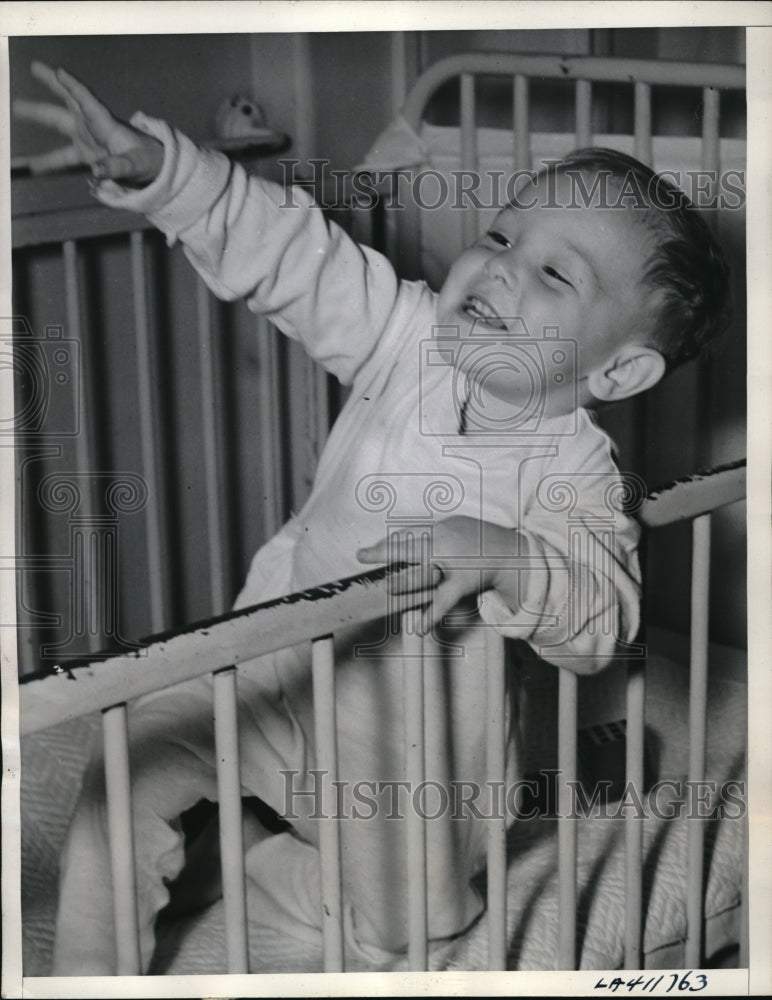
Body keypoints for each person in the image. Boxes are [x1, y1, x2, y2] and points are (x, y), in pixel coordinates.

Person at [15, 62, 731, 974]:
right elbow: (297, 256)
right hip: (269, 667)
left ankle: (260, 859)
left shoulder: (577, 473)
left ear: (619, 373)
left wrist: (511, 558)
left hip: (407, 755)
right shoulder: (409, 344)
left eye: (554, 271)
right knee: (121, 779)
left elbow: (603, 617)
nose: (500, 266)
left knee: (400, 936)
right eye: (503, 234)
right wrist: (170, 171)